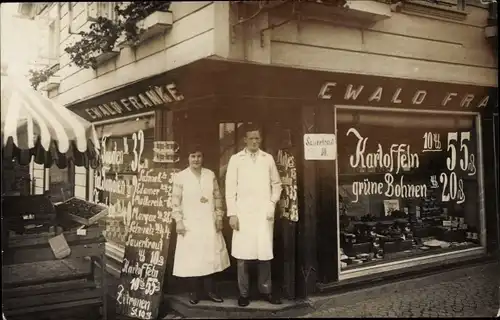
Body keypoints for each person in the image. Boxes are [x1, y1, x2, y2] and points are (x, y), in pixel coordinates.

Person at [225, 125, 283, 307]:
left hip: (263, 214)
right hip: (243, 213)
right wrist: (232, 214)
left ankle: (266, 291)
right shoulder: (236, 160)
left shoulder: (268, 159)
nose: (255, 141)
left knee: (264, 255)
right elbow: (229, 189)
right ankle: (243, 293)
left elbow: (277, 184)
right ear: (245, 140)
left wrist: (272, 203)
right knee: (242, 257)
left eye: (257, 138)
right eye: (251, 138)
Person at [171, 145, 230, 305]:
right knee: (193, 258)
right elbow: (175, 202)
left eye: (198, 156)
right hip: (190, 223)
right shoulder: (180, 177)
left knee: (210, 257)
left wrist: (219, 217)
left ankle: (211, 291)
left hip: (208, 222)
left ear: (202, 158)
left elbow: (218, 197)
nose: (196, 159)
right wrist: (179, 221)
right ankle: (194, 292)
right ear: (188, 158)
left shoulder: (209, 174)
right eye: (193, 156)